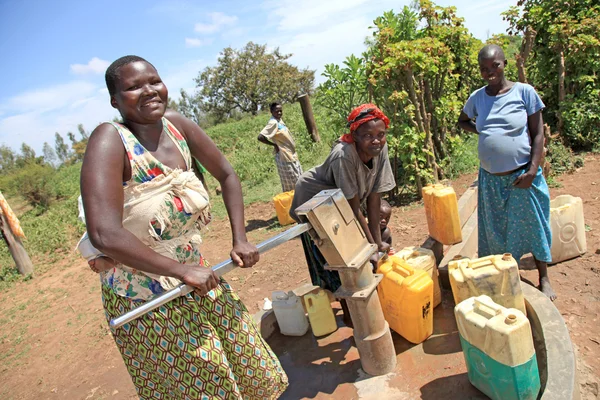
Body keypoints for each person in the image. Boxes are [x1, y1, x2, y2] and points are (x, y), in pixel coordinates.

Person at [80, 55, 288, 399]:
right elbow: (104, 233)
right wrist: (180, 271)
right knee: (199, 383)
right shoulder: (110, 139)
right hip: (145, 295)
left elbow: (227, 174)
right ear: (115, 101)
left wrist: (240, 238)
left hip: (197, 278)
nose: (149, 91)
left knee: (247, 363)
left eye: (154, 81)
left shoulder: (176, 126)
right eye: (133, 87)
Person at [458, 44, 556, 301]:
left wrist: (533, 171)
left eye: (495, 65)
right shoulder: (477, 97)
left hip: (522, 175)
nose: (490, 72)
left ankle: (543, 277)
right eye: (484, 68)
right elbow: (462, 120)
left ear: (504, 64)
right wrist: (484, 131)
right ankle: (500, 276)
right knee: (495, 232)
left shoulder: (525, 92)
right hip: (491, 179)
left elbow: (537, 135)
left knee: (534, 225)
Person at [290, 104, 396, 319]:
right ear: (354, 135)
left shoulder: (380, 148)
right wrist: (370, 248)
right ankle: (352, 317)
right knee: (337, 260)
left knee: (368, 249)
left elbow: (374, 199)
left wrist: (374, 245)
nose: (376, 140)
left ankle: (363, 311)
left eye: (381, 134)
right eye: (367, 135)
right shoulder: (343, 155)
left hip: (342, 203)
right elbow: (353, 208)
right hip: (315, 202)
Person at [257, 102, 302, 192]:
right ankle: (294, 204)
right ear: (271, 112)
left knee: (299, 179)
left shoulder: (279, 121)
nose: (279, 113)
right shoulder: (273, 123)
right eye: (277, 111)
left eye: (281, 111)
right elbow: (260, 137)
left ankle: (300, 201)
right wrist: (274, 145)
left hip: (291, 154)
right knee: (292, 183)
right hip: (284, 157)